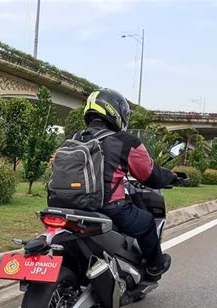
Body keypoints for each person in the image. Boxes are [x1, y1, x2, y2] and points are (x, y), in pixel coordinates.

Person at [74, 88, 177, 278]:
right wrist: (171, 177)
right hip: (108, 207)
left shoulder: (75, 139)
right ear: (115, 112)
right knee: (146, 222)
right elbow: (149, 175)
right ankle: (155, 265)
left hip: (65, 205)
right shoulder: (124, 141)